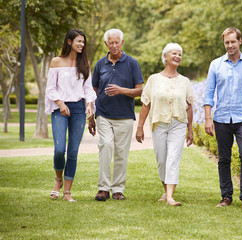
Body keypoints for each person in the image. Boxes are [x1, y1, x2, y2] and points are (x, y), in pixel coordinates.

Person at [203, 27, 242, 210]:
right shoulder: (216, 65)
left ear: (240, 41)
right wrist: (208, 118)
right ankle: (226, 196)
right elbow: (208, 94)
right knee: (224, 158)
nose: (229, 45)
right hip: (222, 118)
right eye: (226, 42)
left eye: (233, 41)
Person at [135, 43, 194, 206]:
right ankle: (166, 190)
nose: (177, 56)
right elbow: (145, 104)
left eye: (180, 54)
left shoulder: (184, 81)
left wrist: (190, 129)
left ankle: (170, 197)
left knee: (173, 159)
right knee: (162, 160)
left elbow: (189, 106)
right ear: (165, 57)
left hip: (178, 124)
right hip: (159, 123)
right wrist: (139, 127)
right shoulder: (154, 79)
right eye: (174, 53)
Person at [88, 28, 143, 201]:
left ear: (122, 43)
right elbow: (93, 92)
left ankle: (117, 189)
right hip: (103, 114)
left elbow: (140, 91)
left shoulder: (132, 63)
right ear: (106, 44)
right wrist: (91, 117)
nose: (114, 45)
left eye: (116, 42)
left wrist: (121, 90)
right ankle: (103, 188)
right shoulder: (99, 64)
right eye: (110, 42)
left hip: (125, 116)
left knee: (121, 152)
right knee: (105, 145)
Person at [45, 29, 96, 202]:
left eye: (83, 42)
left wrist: (89, 104)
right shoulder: (56, 62)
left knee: (73, 151)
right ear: (69, 42)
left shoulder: (84, 62)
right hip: (60, 108)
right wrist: (60, 103)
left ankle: (67, 192)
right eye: (79, 41)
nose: (82, 44)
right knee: (60, 150)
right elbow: (51, 88)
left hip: (78, 110)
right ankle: (58, 179)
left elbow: (88, 88)